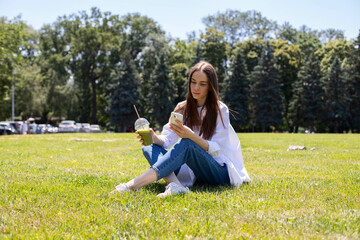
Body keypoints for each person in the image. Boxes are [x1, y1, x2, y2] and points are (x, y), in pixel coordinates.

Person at [111, 61, 251, 197]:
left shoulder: (220, 110)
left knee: (187, 144)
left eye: (202, 84)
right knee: (149, 147)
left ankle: (131, 186)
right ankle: (176, 185)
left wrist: (191, 136)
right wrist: (154, 137)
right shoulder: (182, 108)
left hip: (219, 171)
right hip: (193, 171)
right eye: (193, 82)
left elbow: (218, 149)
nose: (196, 88)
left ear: (210, 87)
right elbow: (167, 139)